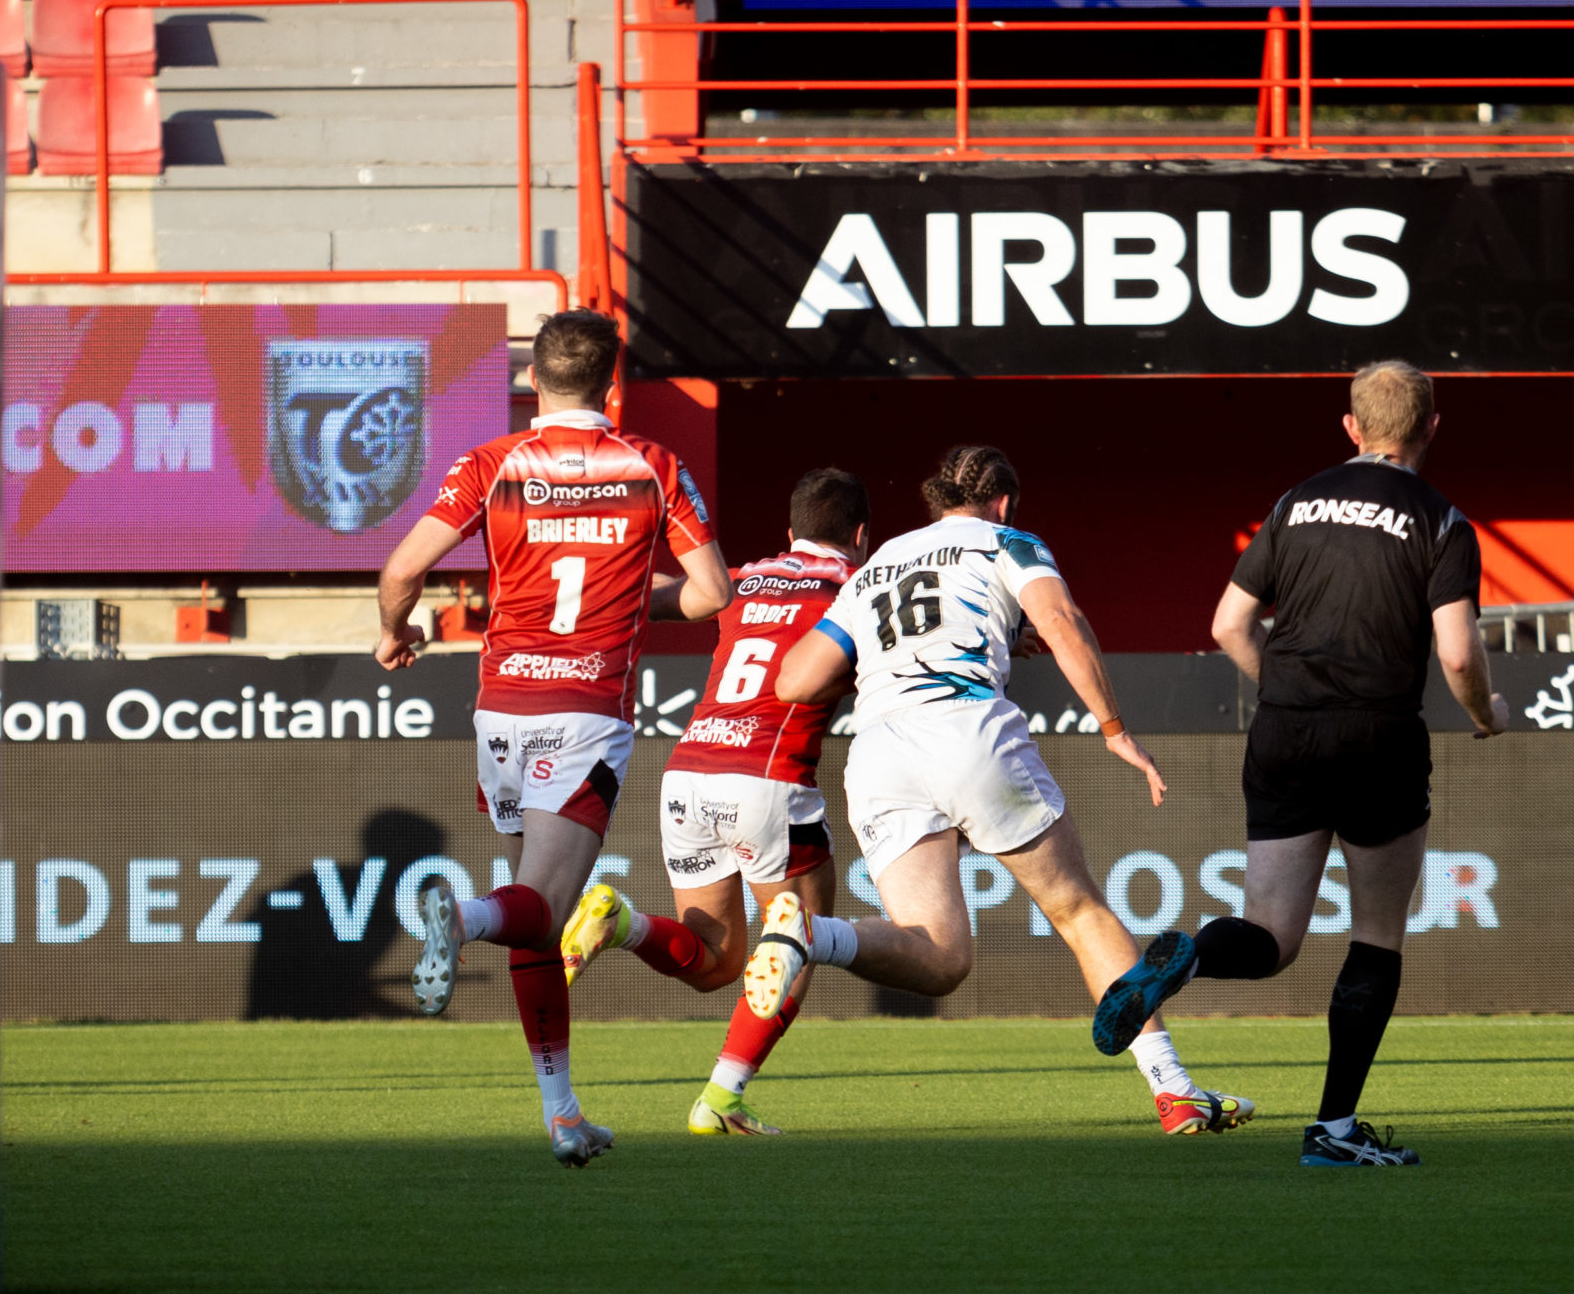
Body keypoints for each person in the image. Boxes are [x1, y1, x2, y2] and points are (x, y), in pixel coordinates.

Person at [742, 444, 1257, 1137]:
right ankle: (1174, 1090)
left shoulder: (878, 562)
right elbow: (1062, 621)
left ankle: (812, 933)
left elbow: (796, 680)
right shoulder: (1009, 540)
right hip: (966, 728)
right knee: (1078, 909)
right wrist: (1113, 729)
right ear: (1004, 501)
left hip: (879, 752)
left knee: (940, 956)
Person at [1092, 361, 1507, 1168]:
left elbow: (1228, 624)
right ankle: (1334, 1130)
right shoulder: (1444, 520)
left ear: (1350, 426)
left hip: (1283, 732)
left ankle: (1189, 957)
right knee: (1377, 936)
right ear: (1431, 427)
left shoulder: (1293, 502)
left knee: (1269, 938)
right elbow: (1458, 653)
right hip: (1378, 738)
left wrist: (1285, 691)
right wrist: (1486, 716)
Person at [381, 308, 733, 1167]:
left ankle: (562, 1111)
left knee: (536, 921)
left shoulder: (491, 464)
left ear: (531, 381)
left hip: (501, 707)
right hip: (584, 710)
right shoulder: (652, 465)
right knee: (537, 905)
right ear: (611, 387)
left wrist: (396, 630)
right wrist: (636, 603)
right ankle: (461, 915)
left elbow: (402, 568)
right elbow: (713, 592)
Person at [553, 468, 870, 1137]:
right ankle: (722, 1099)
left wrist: (583, 598)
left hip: (689, 773)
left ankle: (620, 922)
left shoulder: (745, 577)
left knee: (717, 961)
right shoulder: (858, 588)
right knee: (800, 937)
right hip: (767, 779)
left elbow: (655, 600)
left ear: (790, 530)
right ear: (861, 535)